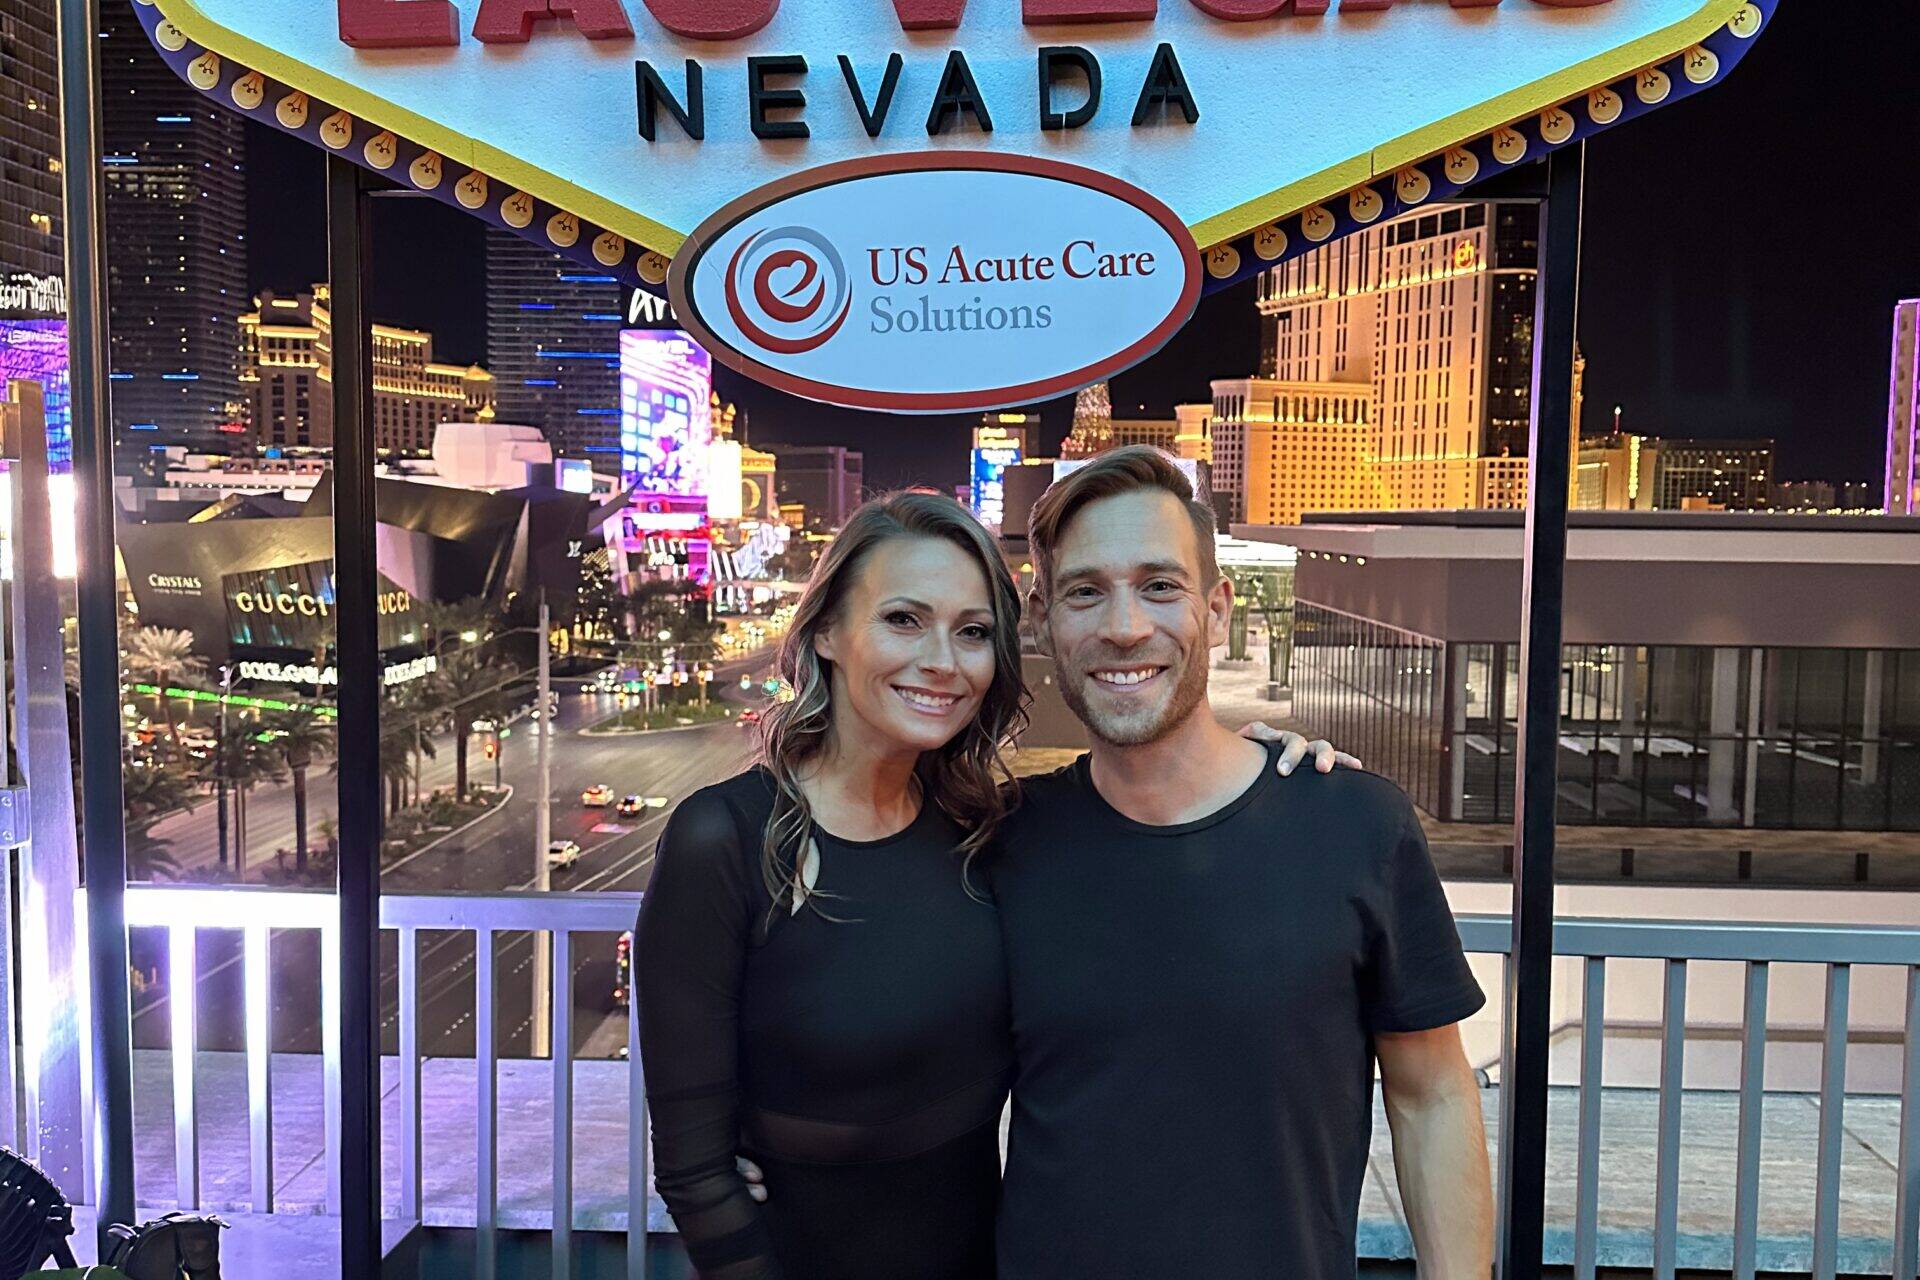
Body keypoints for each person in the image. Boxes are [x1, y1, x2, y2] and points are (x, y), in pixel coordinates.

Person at [636, 490, 1346, 1279]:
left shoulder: (986, 831)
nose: (942, 660)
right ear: (828, 631)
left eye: (972, 632)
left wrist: (1270, 763)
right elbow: (695, 1173)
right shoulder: (725, 839)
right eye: (903, 619)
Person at [991, 446, 1493, 1279]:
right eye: (1086, 592)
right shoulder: (1001, 844)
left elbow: (1432, 1093)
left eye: (1160, 586)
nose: (1124, 626)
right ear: (1042, 620)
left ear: (1217, 612)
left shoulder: (1353, 823)